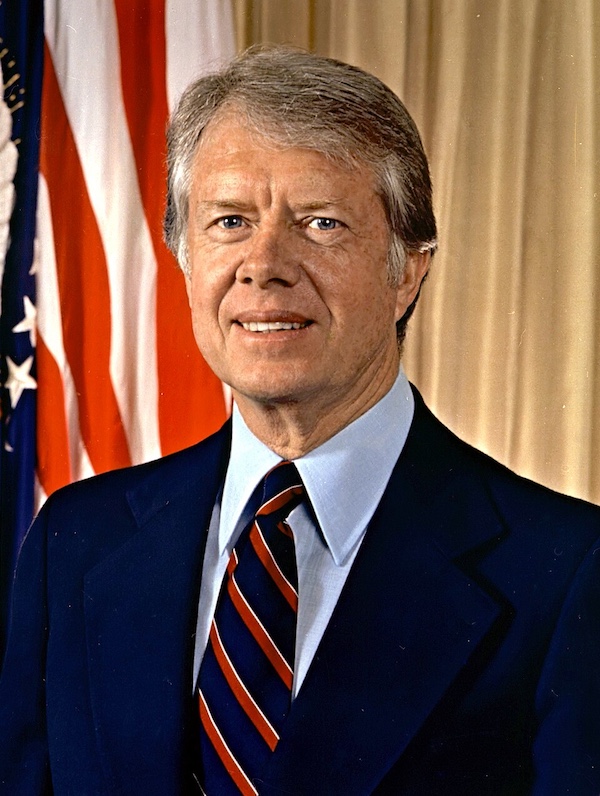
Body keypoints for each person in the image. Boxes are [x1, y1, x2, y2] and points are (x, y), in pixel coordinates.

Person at [1, 45, 599, 796]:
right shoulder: (76, 541)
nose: (264, 264)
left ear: (408, 269)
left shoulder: (568, 571)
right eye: (229, 221)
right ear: (184, 258)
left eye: (320, 223)